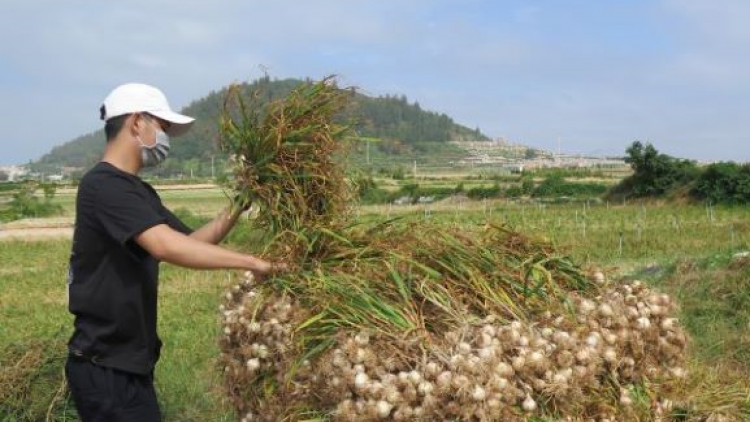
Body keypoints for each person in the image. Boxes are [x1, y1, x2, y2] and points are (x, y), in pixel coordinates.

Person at [65, 83, 277, 422]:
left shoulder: (137, 191)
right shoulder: (104, 185)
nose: (165, 137)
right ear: (137, 123)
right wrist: (251, 262)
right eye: (162, 127)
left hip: (127, 364)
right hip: (105, 366)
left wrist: (239, 204)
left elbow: (191, 242)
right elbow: (165, 245)